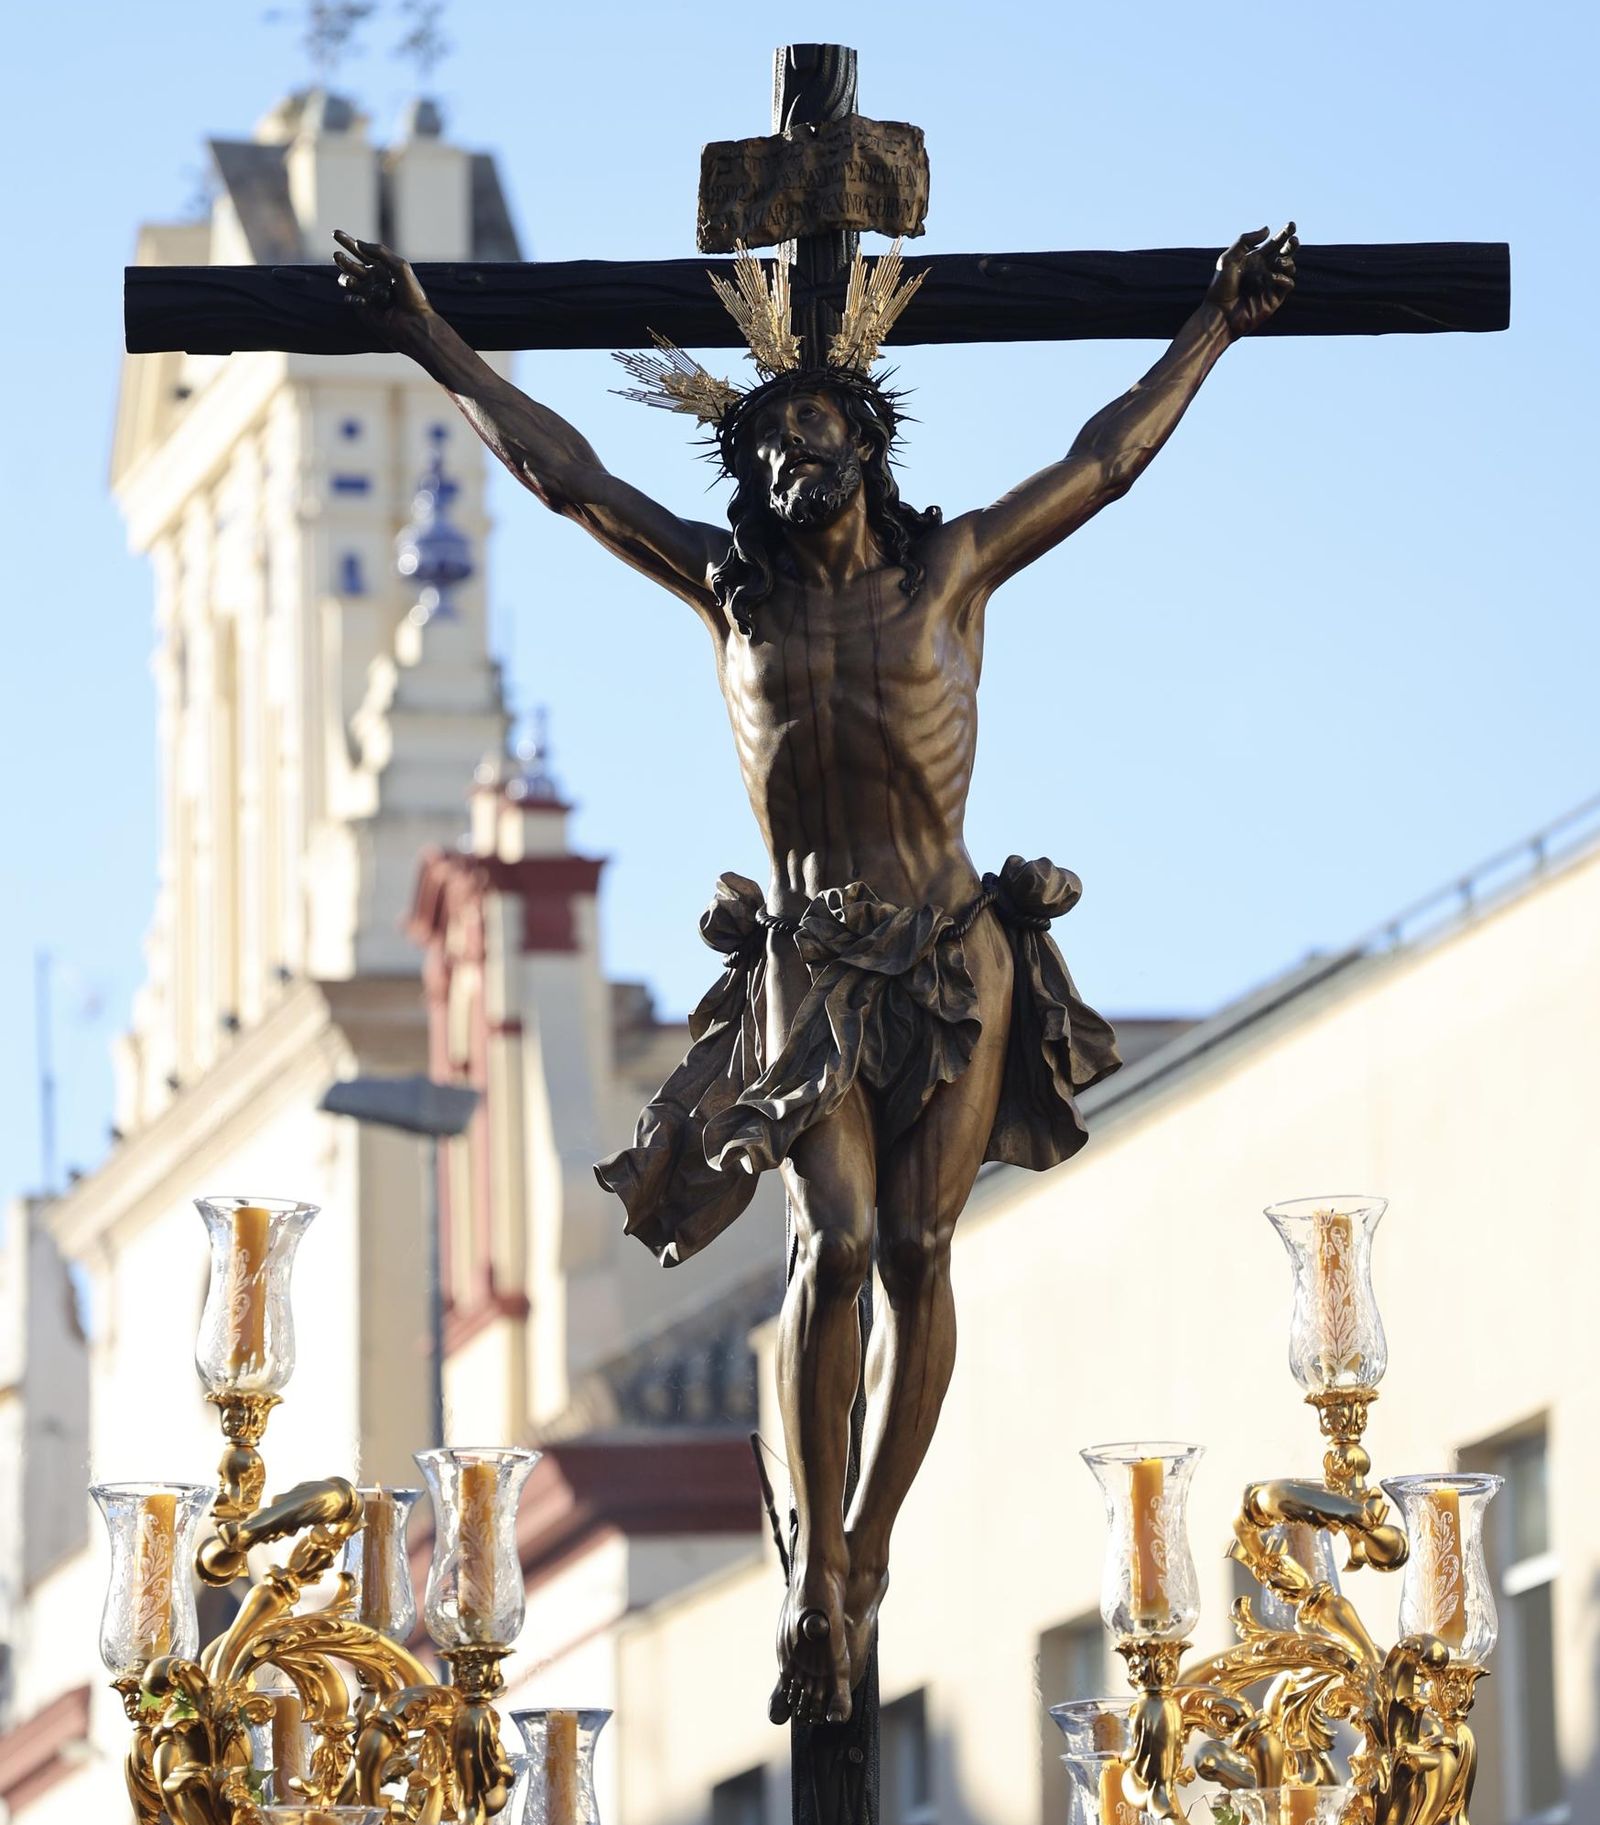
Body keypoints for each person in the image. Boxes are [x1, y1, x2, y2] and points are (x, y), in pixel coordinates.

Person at [334, 221, 1297, 1726]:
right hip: (809, 970)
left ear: (867, 443)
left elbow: (1104, 462)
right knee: (834, 1242)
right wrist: (431, 341)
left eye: (823, 429)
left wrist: (1219, 327)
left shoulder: (953, 569)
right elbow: (566, 474)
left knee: (920, 1252)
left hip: (951, 960)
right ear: (753, 471)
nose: (801, 455)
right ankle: (807, 1575)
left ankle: (865, 1548)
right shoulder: (735, 594)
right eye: (774, 440)